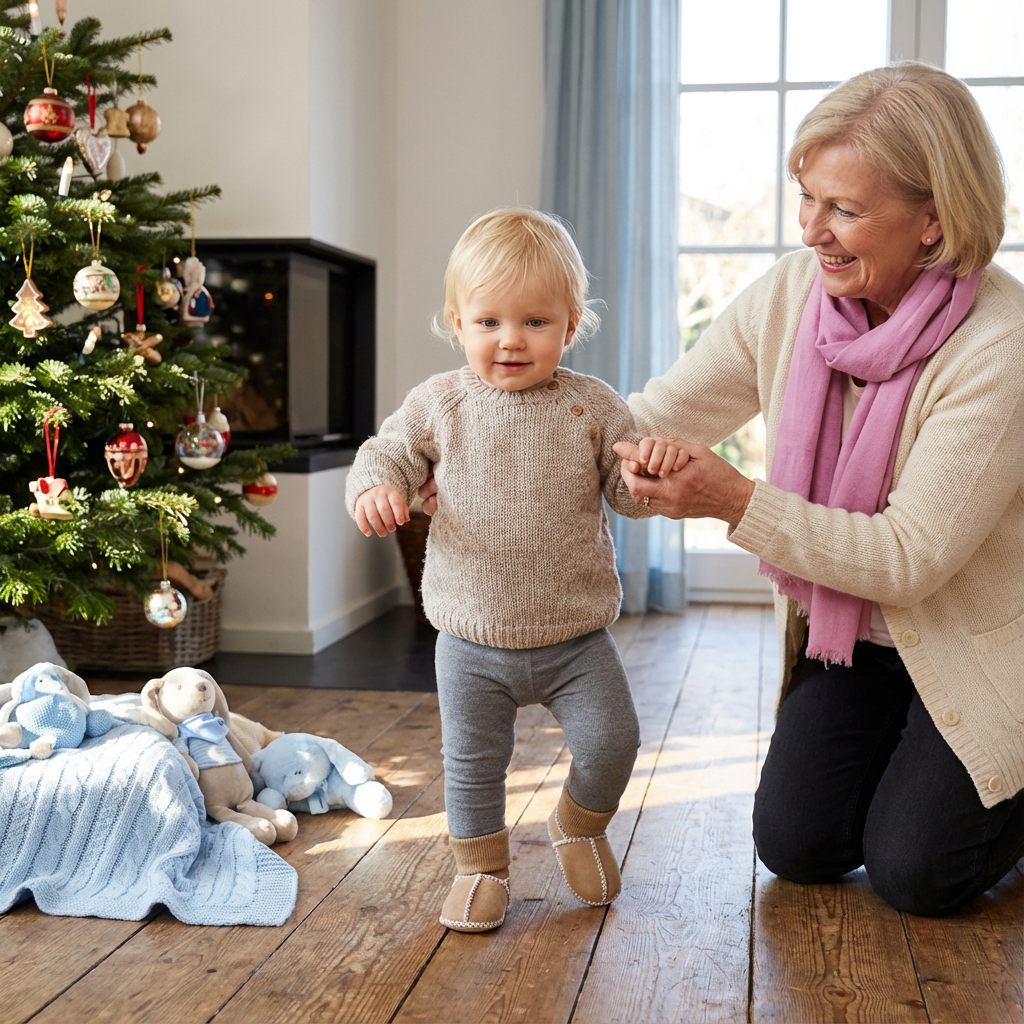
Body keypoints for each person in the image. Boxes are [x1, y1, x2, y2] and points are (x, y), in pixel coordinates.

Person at [606, 62, 1023, 916]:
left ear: (935, 219)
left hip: (982, 647)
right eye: (807, 198)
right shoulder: (794, 297)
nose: (810, 231)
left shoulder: (1000, 344)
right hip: (858, 639)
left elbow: (908, 558)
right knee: (798, 846)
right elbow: (650, 416)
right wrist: (496, 448)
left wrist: (735, 502)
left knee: (916, 874)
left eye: (844, 209)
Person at [345, 209, 680, 932]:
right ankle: (481, 870)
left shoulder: (594, 407)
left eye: (535, 322)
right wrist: (376, 487)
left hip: (576, 639)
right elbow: (386, 452)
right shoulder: (440, 403)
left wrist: (648, 477)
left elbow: (627, 496)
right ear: (458, 322)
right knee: (473, 766)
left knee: (614, 742)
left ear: (571, 325)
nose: (511, 340)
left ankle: (579, 825)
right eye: (489, 321)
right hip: (471, 642)